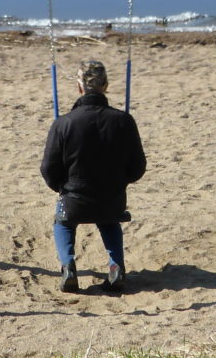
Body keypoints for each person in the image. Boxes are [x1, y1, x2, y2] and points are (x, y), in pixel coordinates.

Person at [40, 59, 146, 293]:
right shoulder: (124, 121)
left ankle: (68, 265)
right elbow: (138, 167)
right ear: (105, 85)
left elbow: (48, 168)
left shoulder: (63, 123)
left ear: (79, 87)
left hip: (74, 198)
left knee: (63, 222)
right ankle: (116, 265)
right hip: (112, 200)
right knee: (110, 222)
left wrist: (61, 187)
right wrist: (120, 182)